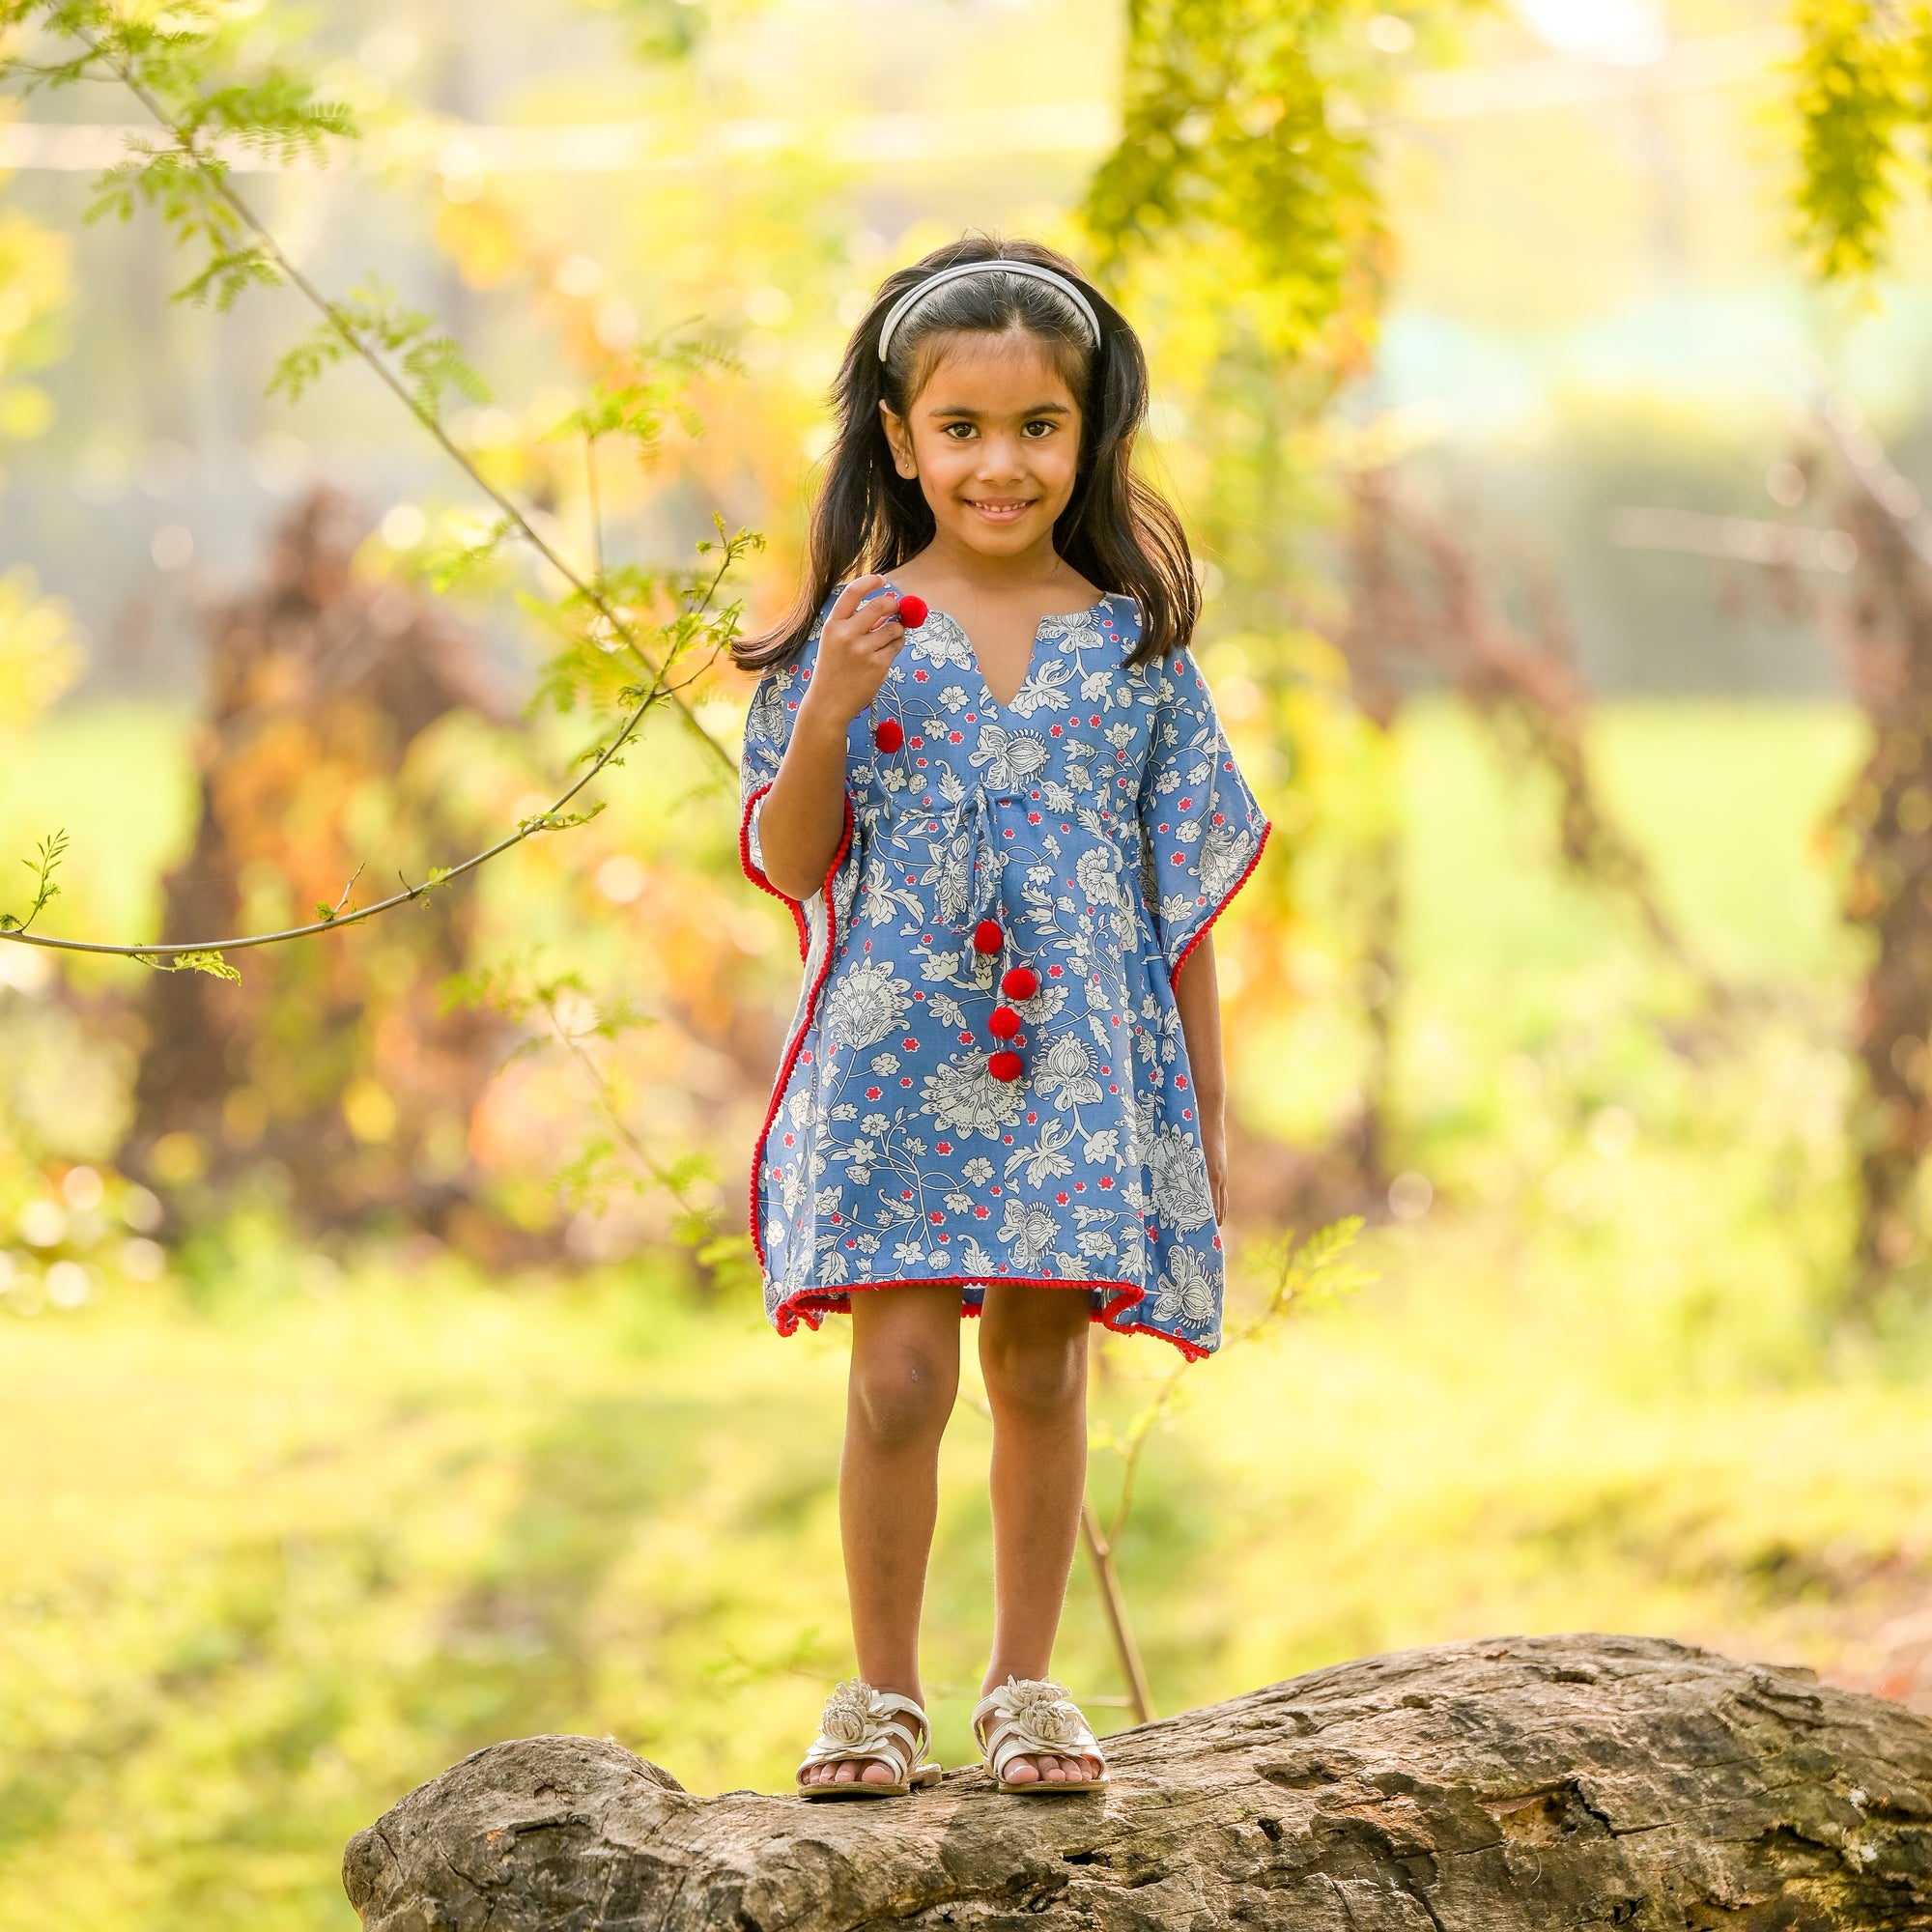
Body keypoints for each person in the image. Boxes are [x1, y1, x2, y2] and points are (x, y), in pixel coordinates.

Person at [733, 237, 1269, 1800]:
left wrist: (1206, 1116)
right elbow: (788, 856)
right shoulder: (859, 633)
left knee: (1039, 1366)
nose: (1000, 462)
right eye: (961, 429)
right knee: (899, 1378)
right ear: (900, 441)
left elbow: (1182, 900)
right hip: (897, 1062)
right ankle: (878, 1696)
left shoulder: (1137, 652)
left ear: (1088, 437)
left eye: (1039, 425)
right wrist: (827, 707)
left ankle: (1027, 1687)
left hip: (1078, 1071)